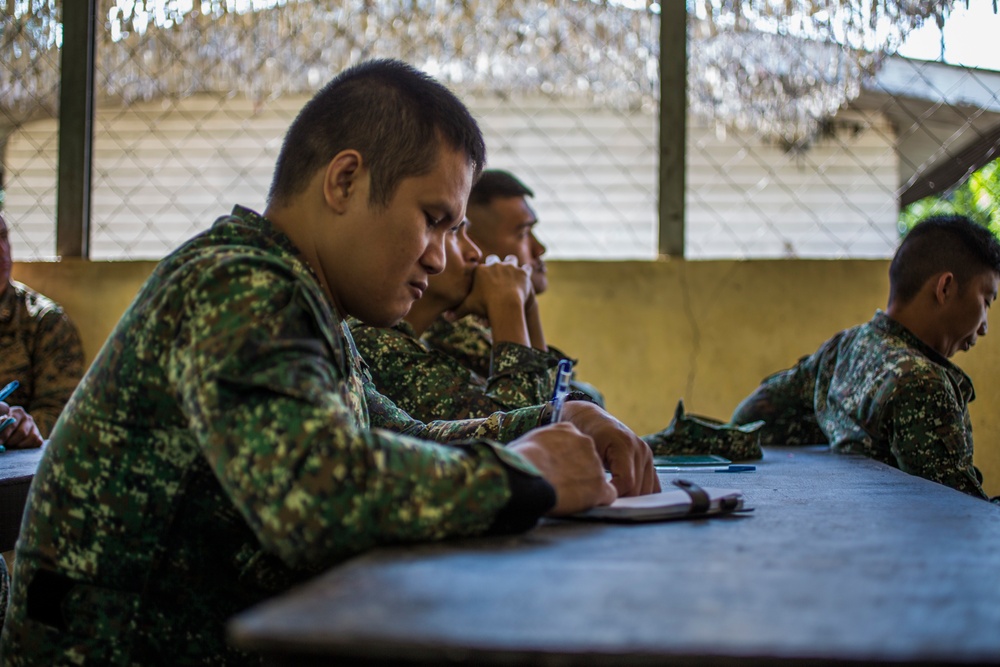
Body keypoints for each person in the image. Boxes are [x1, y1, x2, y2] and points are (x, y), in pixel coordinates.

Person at [0, 60, 657, 666]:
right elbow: (313, 490)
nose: (439, 255)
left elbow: (404, 439)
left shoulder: (308, 305)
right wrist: (528, 471)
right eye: (433, 219)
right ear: (345, 180)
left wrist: (556, 418)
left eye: (453, 230)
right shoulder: (239, 281)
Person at [418, 169, 762, 460]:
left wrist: (526, 305)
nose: (539, 249)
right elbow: (536, 430)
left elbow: (555, 403)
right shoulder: (446, 336)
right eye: (522, 233)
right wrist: (510, 303)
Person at [731, 215, 1000, 502]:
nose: (984, 326)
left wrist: (840, 444)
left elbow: (751, 417)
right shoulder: (923, 382)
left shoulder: (844, 348)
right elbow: (962, 514)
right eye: (985, 301)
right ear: (944, 288)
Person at [350, 219, 563, 420]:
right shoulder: (375, 342)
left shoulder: (412, 343)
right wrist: (508, 304)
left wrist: (529, 306)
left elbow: (551, 406)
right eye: (454, 231)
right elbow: (519, 432)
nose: (475, 253)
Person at [0, 212, 85, 449]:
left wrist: (20, 428)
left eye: (4, 237)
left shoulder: (45, 322)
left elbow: (64, 415)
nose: (2, 251)